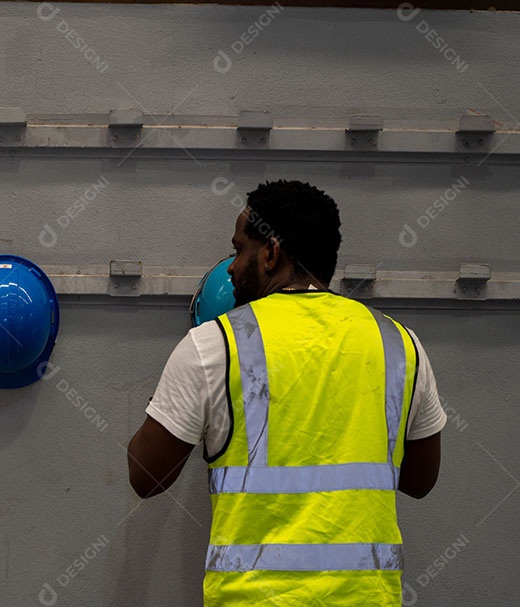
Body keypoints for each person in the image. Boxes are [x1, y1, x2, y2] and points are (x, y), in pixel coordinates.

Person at [127, 180, 446, 606]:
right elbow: (420, 481)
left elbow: (144, 476)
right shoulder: (398, 343)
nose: (230, 267)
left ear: (271, 253)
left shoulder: (215, 345)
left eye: (239, 249)